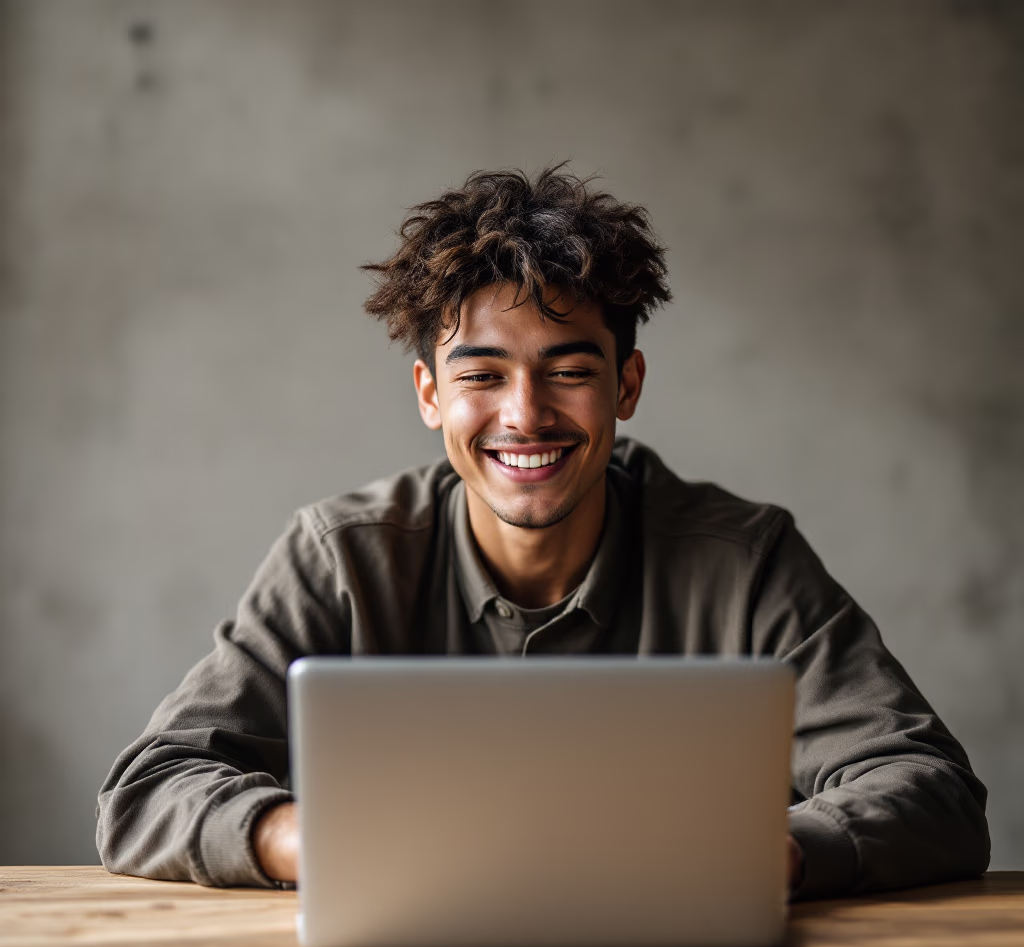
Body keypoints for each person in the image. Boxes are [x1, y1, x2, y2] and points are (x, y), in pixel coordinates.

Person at [96, 166, 989, 898]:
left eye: (568, 370)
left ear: (627, 385)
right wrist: (311, 841)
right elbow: (147, 790)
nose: (525, 416)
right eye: (481, 374)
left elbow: (933, 789)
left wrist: (775, 853)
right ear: (429, 395)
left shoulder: (745, 561)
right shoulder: (341, 556)